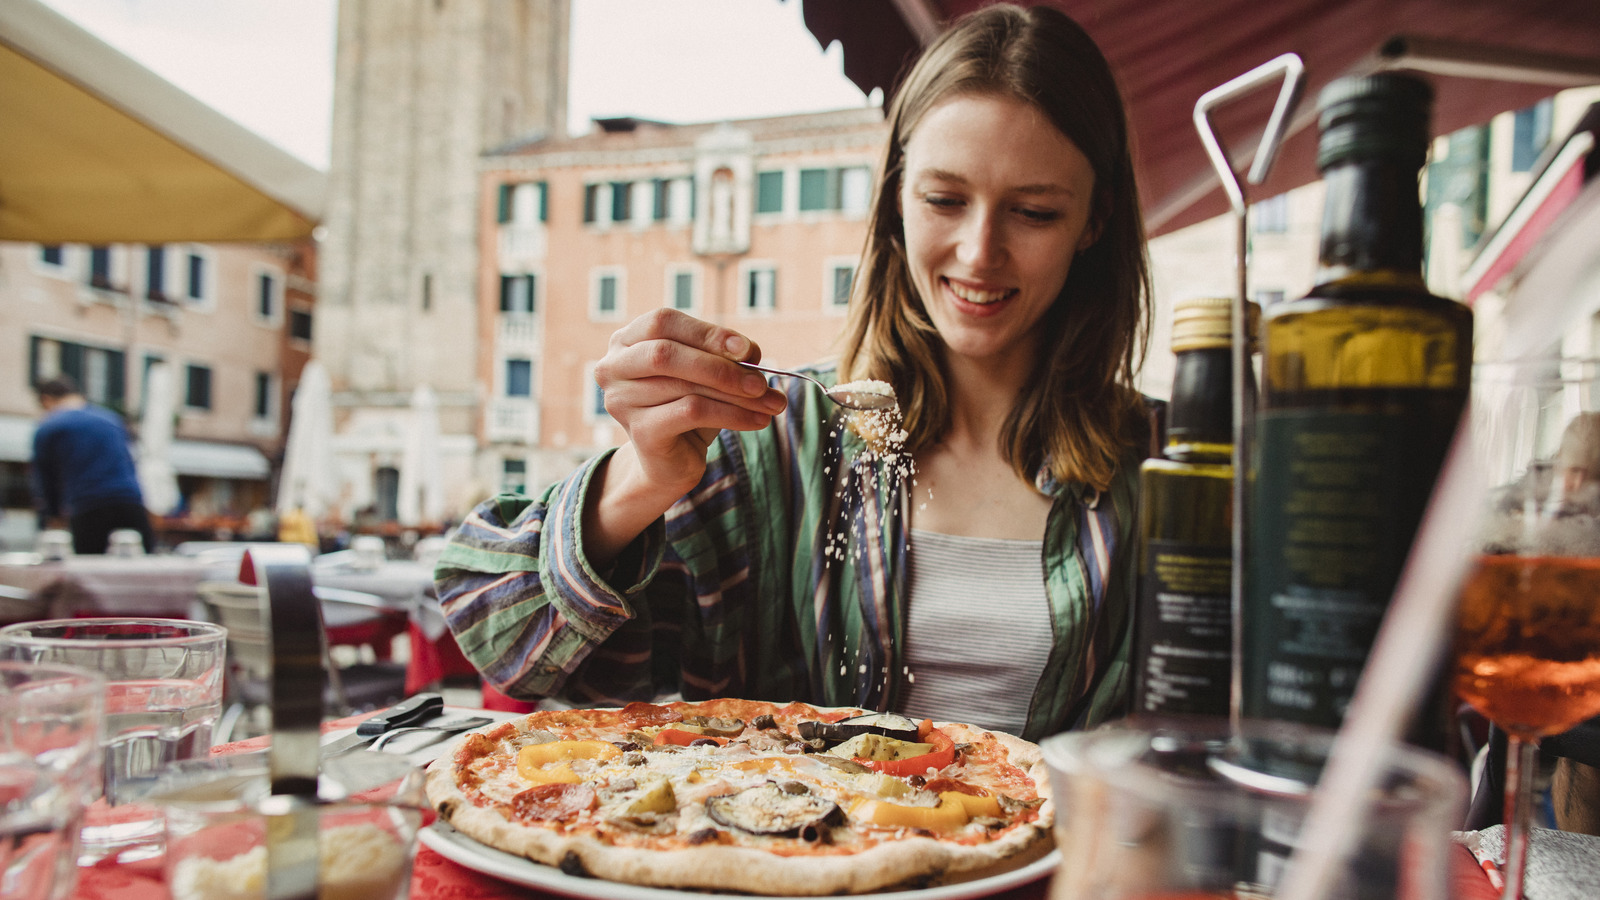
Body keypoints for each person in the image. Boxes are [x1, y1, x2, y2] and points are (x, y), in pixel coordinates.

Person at [436, 3, 1151, 740]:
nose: (978, 251)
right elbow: (499, 636)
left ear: (1094, 222)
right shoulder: (774, 442)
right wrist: (641, 474)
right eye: (944, 200)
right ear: (896, 201)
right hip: (799, 851)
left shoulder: (1169, 466)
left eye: (1033, 212)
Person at [30, 376, 156, 554]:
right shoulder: (112, 420)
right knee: (145, 566)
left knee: (89, 570)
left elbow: (45, 479)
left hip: (87, 504)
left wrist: (51, 517)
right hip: (129, 500)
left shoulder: (50, 426)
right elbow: (131, 461)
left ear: (46, 400)